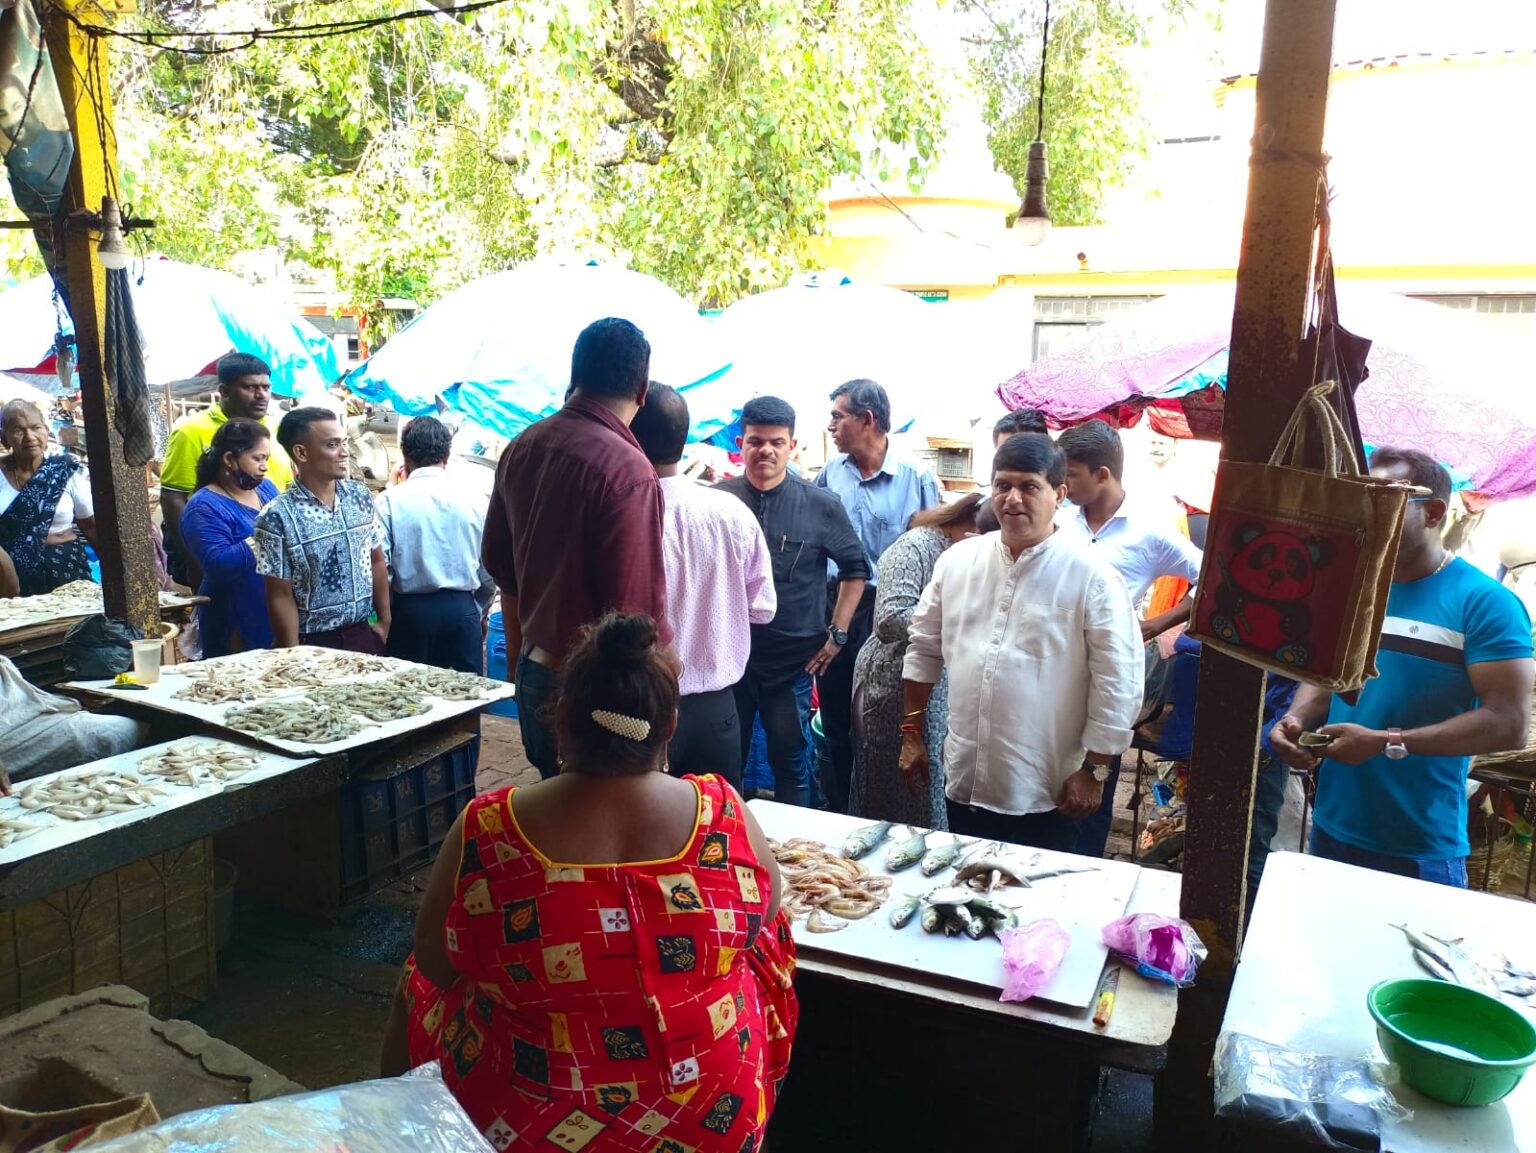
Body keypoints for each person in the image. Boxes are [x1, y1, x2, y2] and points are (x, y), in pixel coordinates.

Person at [383, 613, 797, 1153]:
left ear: (560, 721)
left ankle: (389, 1127)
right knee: (767, 945)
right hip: (708, 1115)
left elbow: (436, 963)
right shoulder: (721, 812)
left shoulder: (489, 829)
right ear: (668, 727)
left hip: (522, 1121)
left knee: (416, 977)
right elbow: (766, 916)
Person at [1270, 448, 1533, 888]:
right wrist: (1296, 719)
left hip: (1419, 846)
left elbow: (1507, 724)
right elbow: (1326, 680)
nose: (1366, 513)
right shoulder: (1354, 591)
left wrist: (1386, 742)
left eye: (1385, 499)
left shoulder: (1486, 603)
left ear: (1432, 513)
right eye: (1363, 498)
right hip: (1332, 828)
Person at [900, 433, 1144, 851]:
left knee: (1046, 907)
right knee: (969, 897)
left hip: (1053, 789)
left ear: (1059, 493)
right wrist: (911, 734)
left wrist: (1096, 770)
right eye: (1002, 486)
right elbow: (923, 649)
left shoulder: (1092, 576)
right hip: (967, 779)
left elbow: (1118, 681)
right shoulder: (958, 561)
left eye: (1029, 486)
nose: (1013, 499)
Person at [482, 318, 671, 779]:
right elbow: (635, 616)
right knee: (600, 830)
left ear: (575, 377)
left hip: (535, 668)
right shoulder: (628, 470)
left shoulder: (523, 446)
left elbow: (500, 568)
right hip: (600, 699)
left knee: (556, 814)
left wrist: (517, 663)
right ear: (642, 391)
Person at [1056, 418, 1204, 858]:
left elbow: (1213, 580)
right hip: (1053, 674)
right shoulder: (1060, 521)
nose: (1062, 483)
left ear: (1103, 475)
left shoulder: (1148, 531)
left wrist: (1156, 624)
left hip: (1109, 679)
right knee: (1055, 783)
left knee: (1095, 786)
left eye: (1071, 473)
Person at [717, 397, 869, 807]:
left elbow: (856, 570)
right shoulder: (718, 503)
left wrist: (836, 635)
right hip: (731, 663)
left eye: (776, 442)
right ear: (741, 443)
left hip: (792, 664)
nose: (765, 450)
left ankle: (792, 855)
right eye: (755, 441)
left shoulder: (819, 505)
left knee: (791, 763)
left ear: (793, 446)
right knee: (726, 765)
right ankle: (731, 852)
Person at [630, 385, 776, 791]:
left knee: (650, 837)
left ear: (629, 435)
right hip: (717, 710)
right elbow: (762, 607)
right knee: (714, 833)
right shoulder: (731, 512)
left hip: (642, 708)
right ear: (684, 436)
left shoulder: (623, 513)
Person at [815, 379, 940, 811]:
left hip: (892, 612)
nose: (830, 425)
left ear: (866, 420)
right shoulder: (831, 474)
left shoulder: (916, 476)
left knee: (884, 718)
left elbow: (935, 546)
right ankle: (839, 810)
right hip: (837, 608)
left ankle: (883, 810)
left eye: (837, 415)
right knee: (835, 715)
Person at [850, 494, 984, 829]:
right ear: (967, 527)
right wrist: (957, 623)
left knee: (930, 782)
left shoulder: (964, 554)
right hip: (892, 683)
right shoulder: (915, 547)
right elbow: (889, 618)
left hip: (938, 684)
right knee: (899, 782)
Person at [253, 407, 390, 654]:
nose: (344, 452)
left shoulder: (360, 496)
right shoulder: (277, 516)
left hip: (363, 635)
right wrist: (292, 653)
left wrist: (384, 622)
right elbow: (279, 595)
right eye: (332, 445)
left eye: (344, 443)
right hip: (313, 644)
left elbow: (377, 559)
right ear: (301, 452)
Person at [160, 353, 294, 589]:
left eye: (265, 387)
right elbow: (173, 498)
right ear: (224, 390)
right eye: (250, 387)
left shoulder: (274, 430)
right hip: (222, 549)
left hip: (272, 559)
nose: (261, 395)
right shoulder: (191, 430)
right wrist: (194, 561)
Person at [376, 416, 493, 673]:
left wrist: (386, 617)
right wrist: (478, 611)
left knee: (409, 700)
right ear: (446, 455)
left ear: (405, 456)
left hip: (410, 615)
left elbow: (381, 567)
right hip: (462, 610)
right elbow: (489, 568)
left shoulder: (389, 501)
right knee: (464, 701)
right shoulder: (476, 500)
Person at [178, 418, 278, 658]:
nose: (264, 466)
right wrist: (267, 537)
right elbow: (218, 564)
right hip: (232, 614)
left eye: (266, 459)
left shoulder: (266, 489)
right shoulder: (203, 507)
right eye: (257, 458)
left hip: (271, 605)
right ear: (229, 459)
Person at [0, 654, 147, 795]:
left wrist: (71, 698)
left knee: (127, 728)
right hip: (9, 735)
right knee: (117, 732)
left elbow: (21, 700)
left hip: (32, 718)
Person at [0, 399, 96, 595]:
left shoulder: (65, 471)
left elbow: (90, 526)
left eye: (35, 427)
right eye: (19, 430)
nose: (30, 437)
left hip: (66, 571)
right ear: (4, 437)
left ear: (46, 430)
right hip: (9, 578)